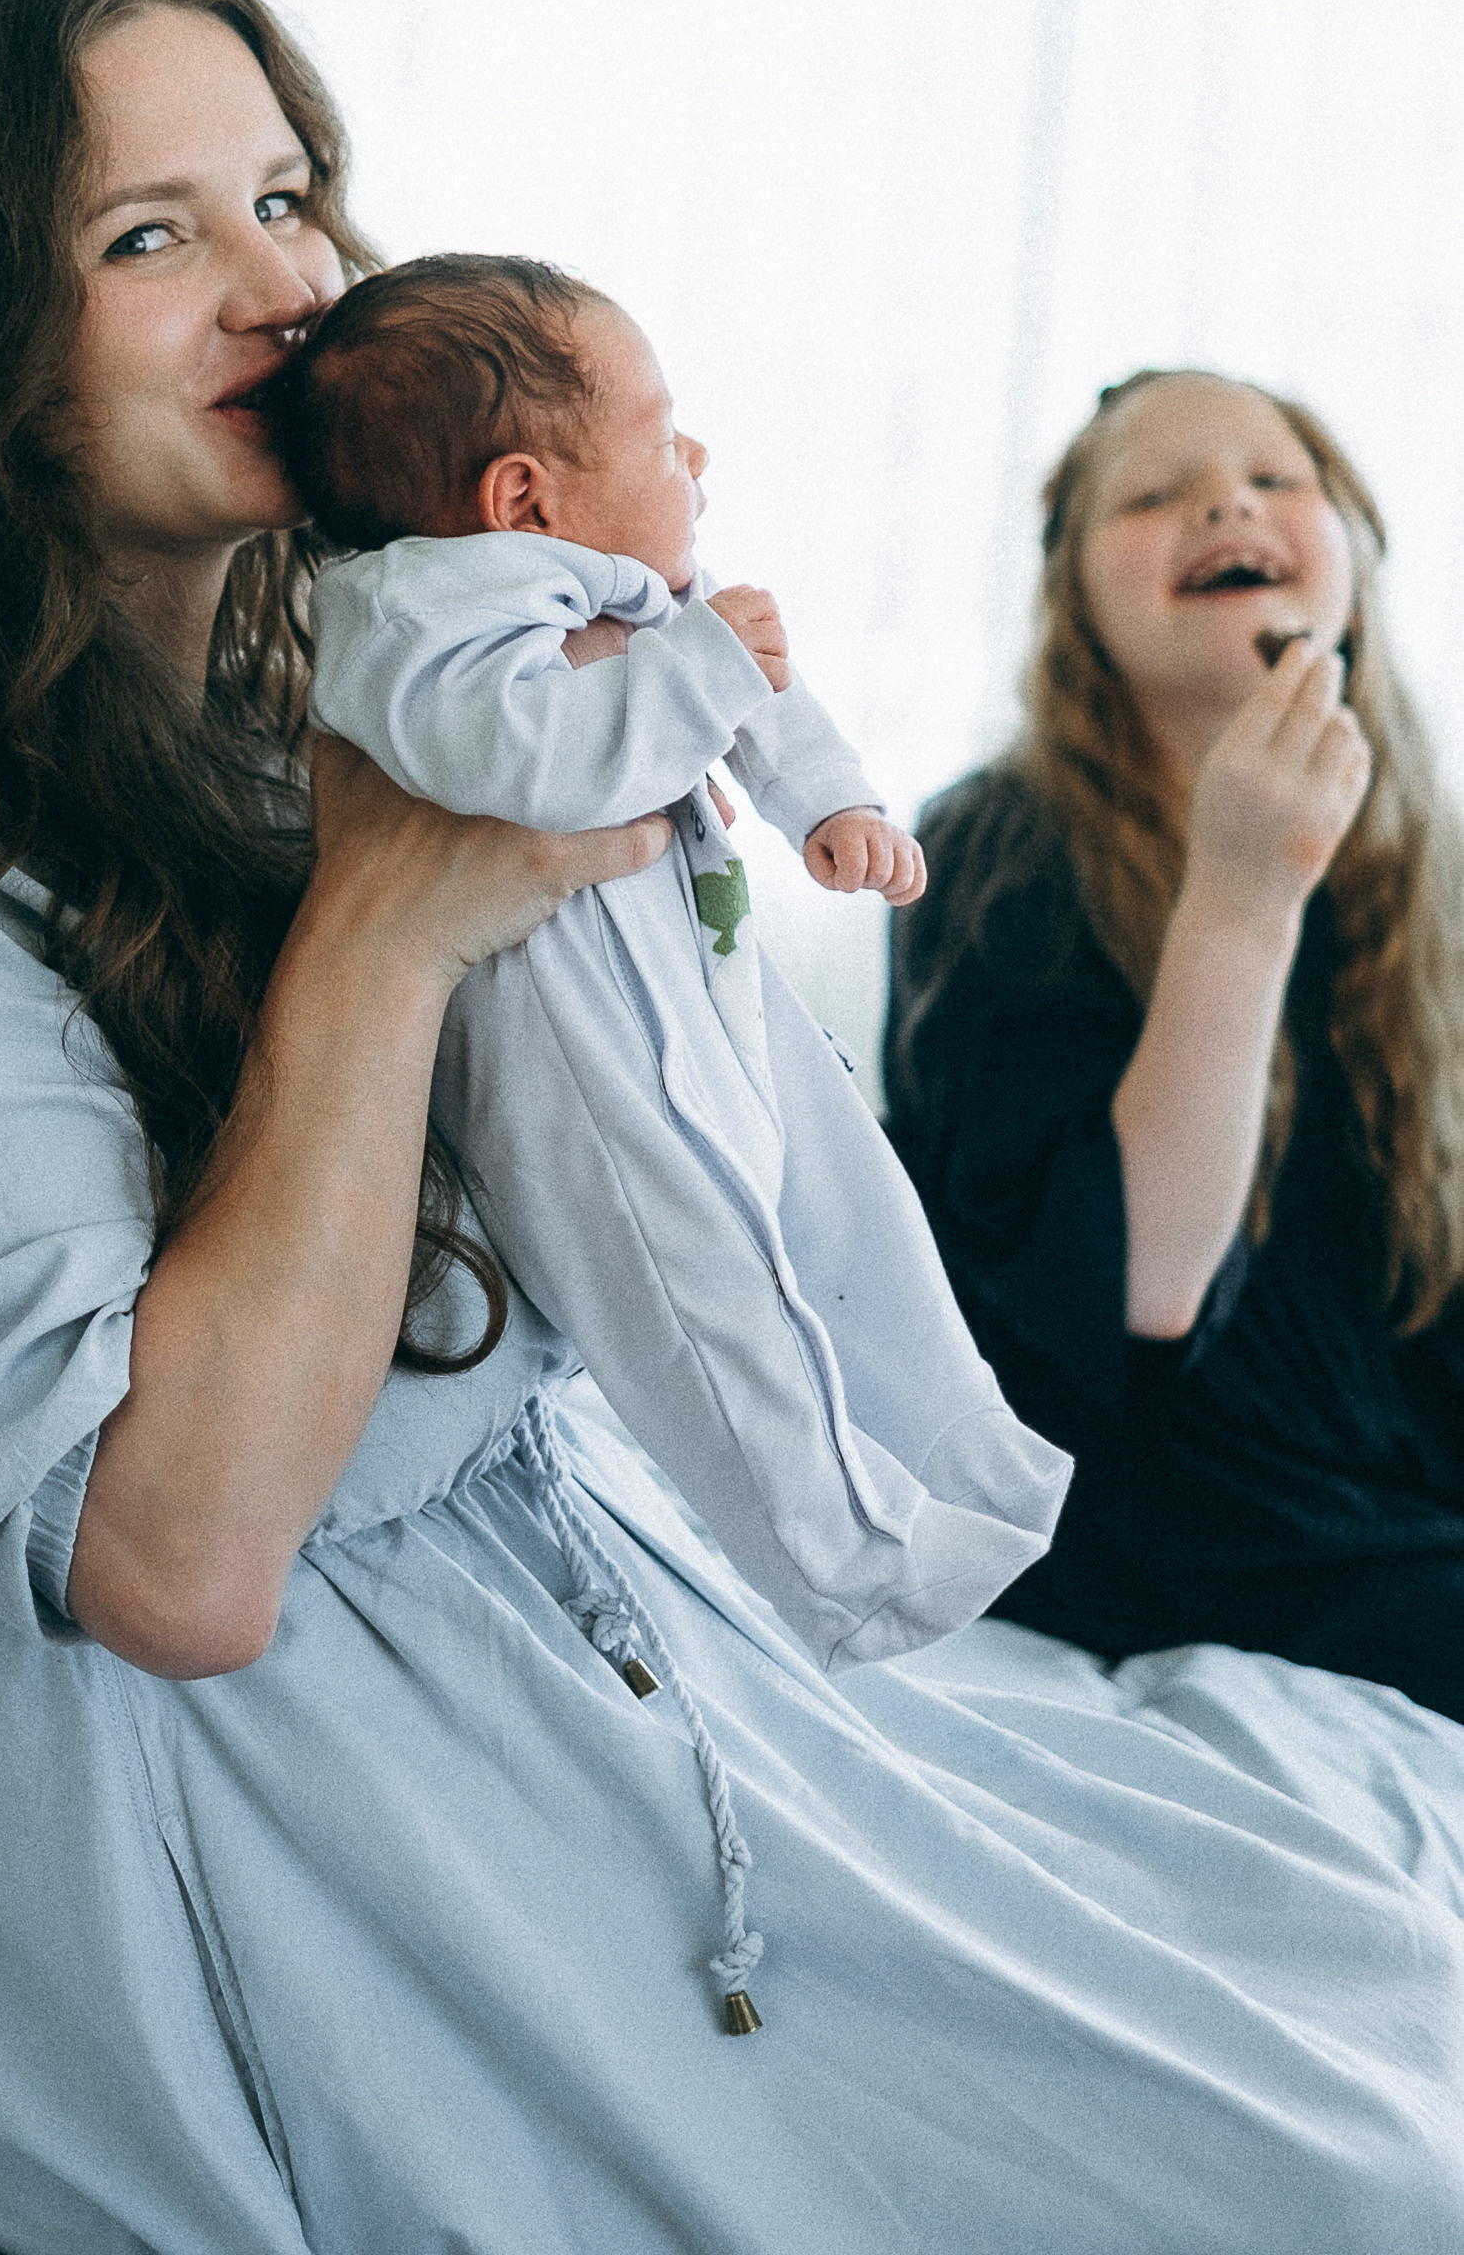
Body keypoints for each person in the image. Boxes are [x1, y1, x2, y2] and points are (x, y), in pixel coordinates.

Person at [0, 0, 1464, 2255]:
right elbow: (181, 1564)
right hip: (326, 1913)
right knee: (1364, 2186)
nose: (284, 286)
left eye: (288, 194)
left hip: (603, 1741)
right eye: (146, 234)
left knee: (1386, 2013)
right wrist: (391, 930)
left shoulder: (291, 735)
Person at [269, 255, 1068, 1671]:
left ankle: (964, 1452)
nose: (693, 458)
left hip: (703, 981)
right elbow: (527, 760)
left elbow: (763, 699)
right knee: (701, 1292)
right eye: (658, 432)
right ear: (524, 497)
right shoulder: (409, 614)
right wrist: (700, 663)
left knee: (845, 1203)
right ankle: (844, 1567)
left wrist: (833, 804)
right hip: (577, 1054)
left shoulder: (642, 597)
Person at [884, 368, 1464, 1721]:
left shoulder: (1429, 865)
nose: (1223, 500)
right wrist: (1242, 897)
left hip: (1395, 1466)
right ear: (1073, 603)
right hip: (1159, 1496)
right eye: (1152, 496)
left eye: (1276, 481)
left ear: (1353, 555)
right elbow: (1134, 1295)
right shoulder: (992, 848)